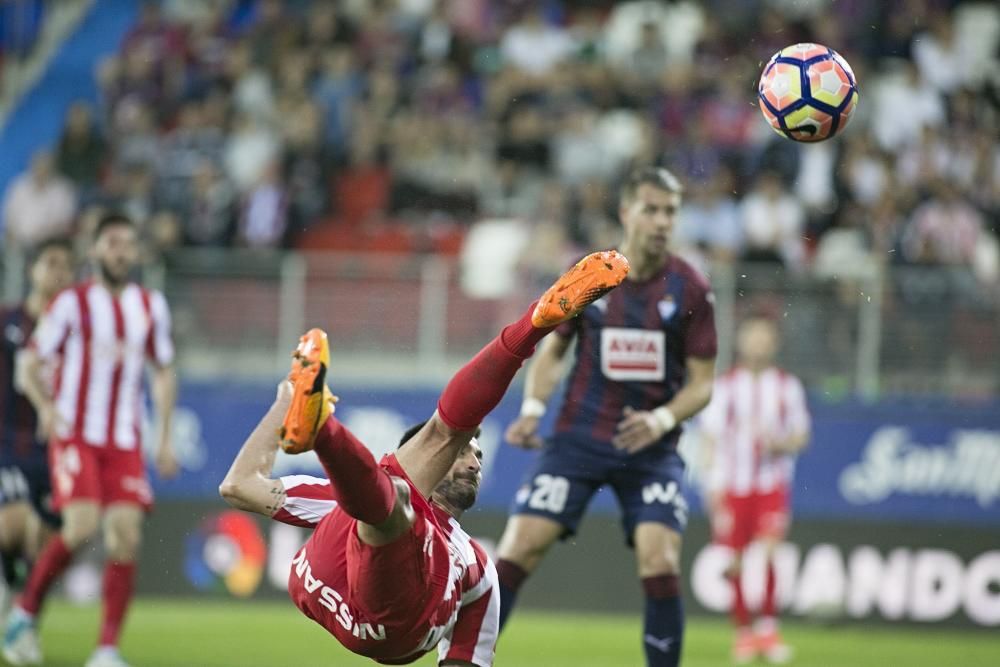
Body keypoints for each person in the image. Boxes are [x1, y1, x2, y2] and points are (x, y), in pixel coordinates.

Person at [220, 250, 630, 666]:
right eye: (466, 453)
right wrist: (285, 402)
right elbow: (238, 486)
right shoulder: (340, 494)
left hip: (395, 625)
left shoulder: (479, 568)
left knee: (398, 496)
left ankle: (323, 429)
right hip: (330, 578)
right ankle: (531, 326)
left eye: (478, 456)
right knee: (404, 478)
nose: (474, 462)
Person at [495, 167, 717, 667]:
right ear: (626, 212)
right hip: (578, 437)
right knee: (516, 550)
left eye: (671, 212)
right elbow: (553, 351)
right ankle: (466, 659)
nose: (662, 222)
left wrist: (660, 420)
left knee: (659, 562)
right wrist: (532, 409)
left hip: (652, 449)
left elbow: (703, 384)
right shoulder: (590, 273)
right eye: (651, 209)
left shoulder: (691, 288)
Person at [3, 213, 179, 667]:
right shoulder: (71, 304)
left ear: (136, 253)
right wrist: (47, 409)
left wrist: (163, 438)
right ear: (96, 250)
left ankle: (106, 649)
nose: (120, 251)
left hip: (124, 440)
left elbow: (163, 371)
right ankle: (25, 611)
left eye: (127, 243)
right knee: (80, 527)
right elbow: (28, 364)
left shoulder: (149, 305)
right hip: (77, 433)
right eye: (111, 242)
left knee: (126, 537)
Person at [700, 313, 811, 665]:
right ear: (742, 341)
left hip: (770, 483)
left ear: (774, 342)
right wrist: (712, 484)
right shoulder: (726, 387)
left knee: (769, 551)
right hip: (733, 485)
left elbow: (801, 435)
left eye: (765, 337)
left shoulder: (787, 386)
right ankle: (744, 634)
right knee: (734, 562)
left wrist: (782, 444)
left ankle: (768, 628)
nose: (758, 343)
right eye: (753, 336)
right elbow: (710, 438)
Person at [0, 240, 75, 610]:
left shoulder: (80, 332)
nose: (58, 273)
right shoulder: (7, 320)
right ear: (33, 271)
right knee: (12, 525)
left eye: (66, 266)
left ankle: (25, 613)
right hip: (9, 444)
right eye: (50, 263)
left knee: (49, 542)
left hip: (58, 451)